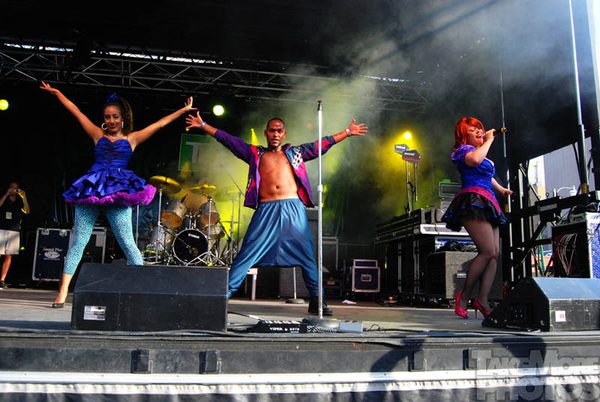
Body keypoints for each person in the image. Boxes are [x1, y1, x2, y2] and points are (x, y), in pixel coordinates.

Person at [185, 112, 368, 315]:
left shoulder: (296, 152)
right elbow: (229, 140)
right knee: (246, 254)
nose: (276, 134)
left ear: (284, 133)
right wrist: (203, 125)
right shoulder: (255, 154)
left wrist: (347, 132)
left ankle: (318, 300)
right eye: (272, 131)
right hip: (266, 210)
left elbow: (322, 144)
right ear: (266, 133)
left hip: (293, 209)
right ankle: (222, 297)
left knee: (307, 257)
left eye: (279, 131)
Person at [40, 81, 196, 307]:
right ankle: (63, 291)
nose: (111, 120)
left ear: (123, 118)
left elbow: (160, 124)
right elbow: (76, 111)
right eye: (107, 117)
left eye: (115, 116)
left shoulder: (132, 138)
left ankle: (142, 291)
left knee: (128, 243)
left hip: (118, 190)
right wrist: (57, 93)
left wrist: (182, 110)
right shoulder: (97, 135)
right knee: (79, 241)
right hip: (92, 188)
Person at [441, 116, 512, 319]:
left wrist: (501, 189)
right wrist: (489, 140)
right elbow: (474, 161)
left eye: (480, 129)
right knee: (487, 251)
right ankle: (463, 296)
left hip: (489, 202)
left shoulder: (482, 154)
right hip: (473, 200)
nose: (479, 131)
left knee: (494, 254)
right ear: (464, 136)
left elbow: (487, 174)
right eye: (473, 130)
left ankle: (482, 299)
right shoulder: (463, 151)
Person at [0, 181, 30, 288]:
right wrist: (6, 194)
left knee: (8, 256)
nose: (14, 190)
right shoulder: (4, 199)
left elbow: (27, 211)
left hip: (14, 231)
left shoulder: (19, 202)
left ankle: (2, 280)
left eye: (16, 188)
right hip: (2, 229)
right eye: (12, 187)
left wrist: (24, 197)